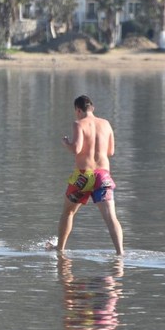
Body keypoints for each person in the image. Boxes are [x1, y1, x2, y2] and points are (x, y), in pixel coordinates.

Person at [52, 95, 124, 254]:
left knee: (68, 212)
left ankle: (60, 248)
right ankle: (120, 252)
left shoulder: (78, 124)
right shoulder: (106, 124)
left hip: (83, 176)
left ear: (78, 110)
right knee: (111, 217)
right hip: (103, 176)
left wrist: (66, 144)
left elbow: (76, 149)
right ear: (92, 108)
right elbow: (111, 151)